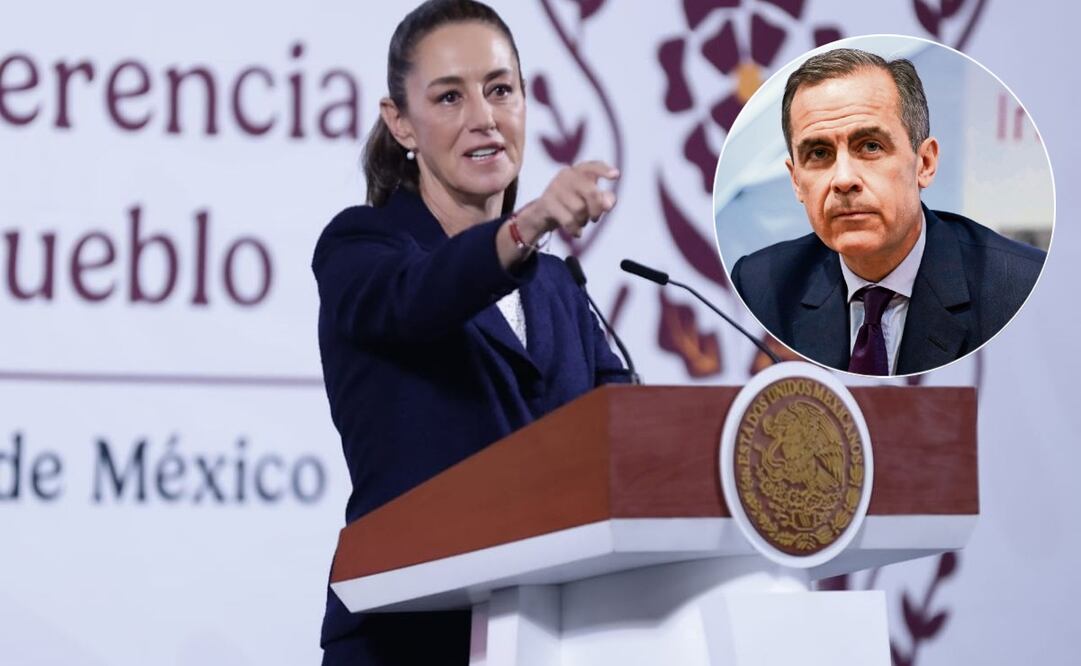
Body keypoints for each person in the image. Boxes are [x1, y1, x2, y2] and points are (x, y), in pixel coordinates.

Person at [311, 1, 629, 663]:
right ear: (400, 123)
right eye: (449, 97)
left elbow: (620, 439)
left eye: (499, 90)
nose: (483, 118)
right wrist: (530, 221)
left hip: (554, 635)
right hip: (409, 637)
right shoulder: (359, 249)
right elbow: (419, 301)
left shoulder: (554, 286)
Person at [730, 48, 1046, 375]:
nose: (843, 179)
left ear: (924, 163)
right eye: (819, 153)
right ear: (796, 180)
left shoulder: (1018, 287)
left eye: (870, 146)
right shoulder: (758, 287)